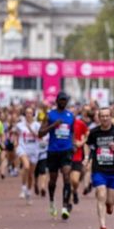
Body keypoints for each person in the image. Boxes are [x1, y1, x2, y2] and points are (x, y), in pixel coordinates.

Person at [38, 91, 75, 219]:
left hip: (66, 150)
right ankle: (52, 201)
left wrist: (73, 145)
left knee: (66, 176)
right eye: (62, 100)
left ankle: (65, 206)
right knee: (53, 180)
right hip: (53, 151)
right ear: (57, 101)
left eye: (65, 100)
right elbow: (40, 133)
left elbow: (72, 132)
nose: (63, 102)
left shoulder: (71, 115)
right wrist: (53, 125)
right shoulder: (49, 115)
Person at [15, 107, 41, 205]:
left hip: (34, 150)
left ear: (33, 114)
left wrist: (30, 129)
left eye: (30, 113)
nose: (28, 114)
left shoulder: (37, 125)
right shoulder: (19, 125)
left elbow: (39, 136)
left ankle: (29, 193)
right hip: (23, 148)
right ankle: (23, 188)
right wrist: (15, 142)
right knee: (26, 166)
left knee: (31, 174)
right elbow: (15, 134)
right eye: (27, 113)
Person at [71, 110, 89, 204]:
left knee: (75, 180)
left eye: (73, 113)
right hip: (65, 155)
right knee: (68, 180)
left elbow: (87, 134)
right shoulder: (63, 123)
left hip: (77, 155)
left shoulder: (80, 123)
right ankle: (67, 204)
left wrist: (81, 143)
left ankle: (74, 191)